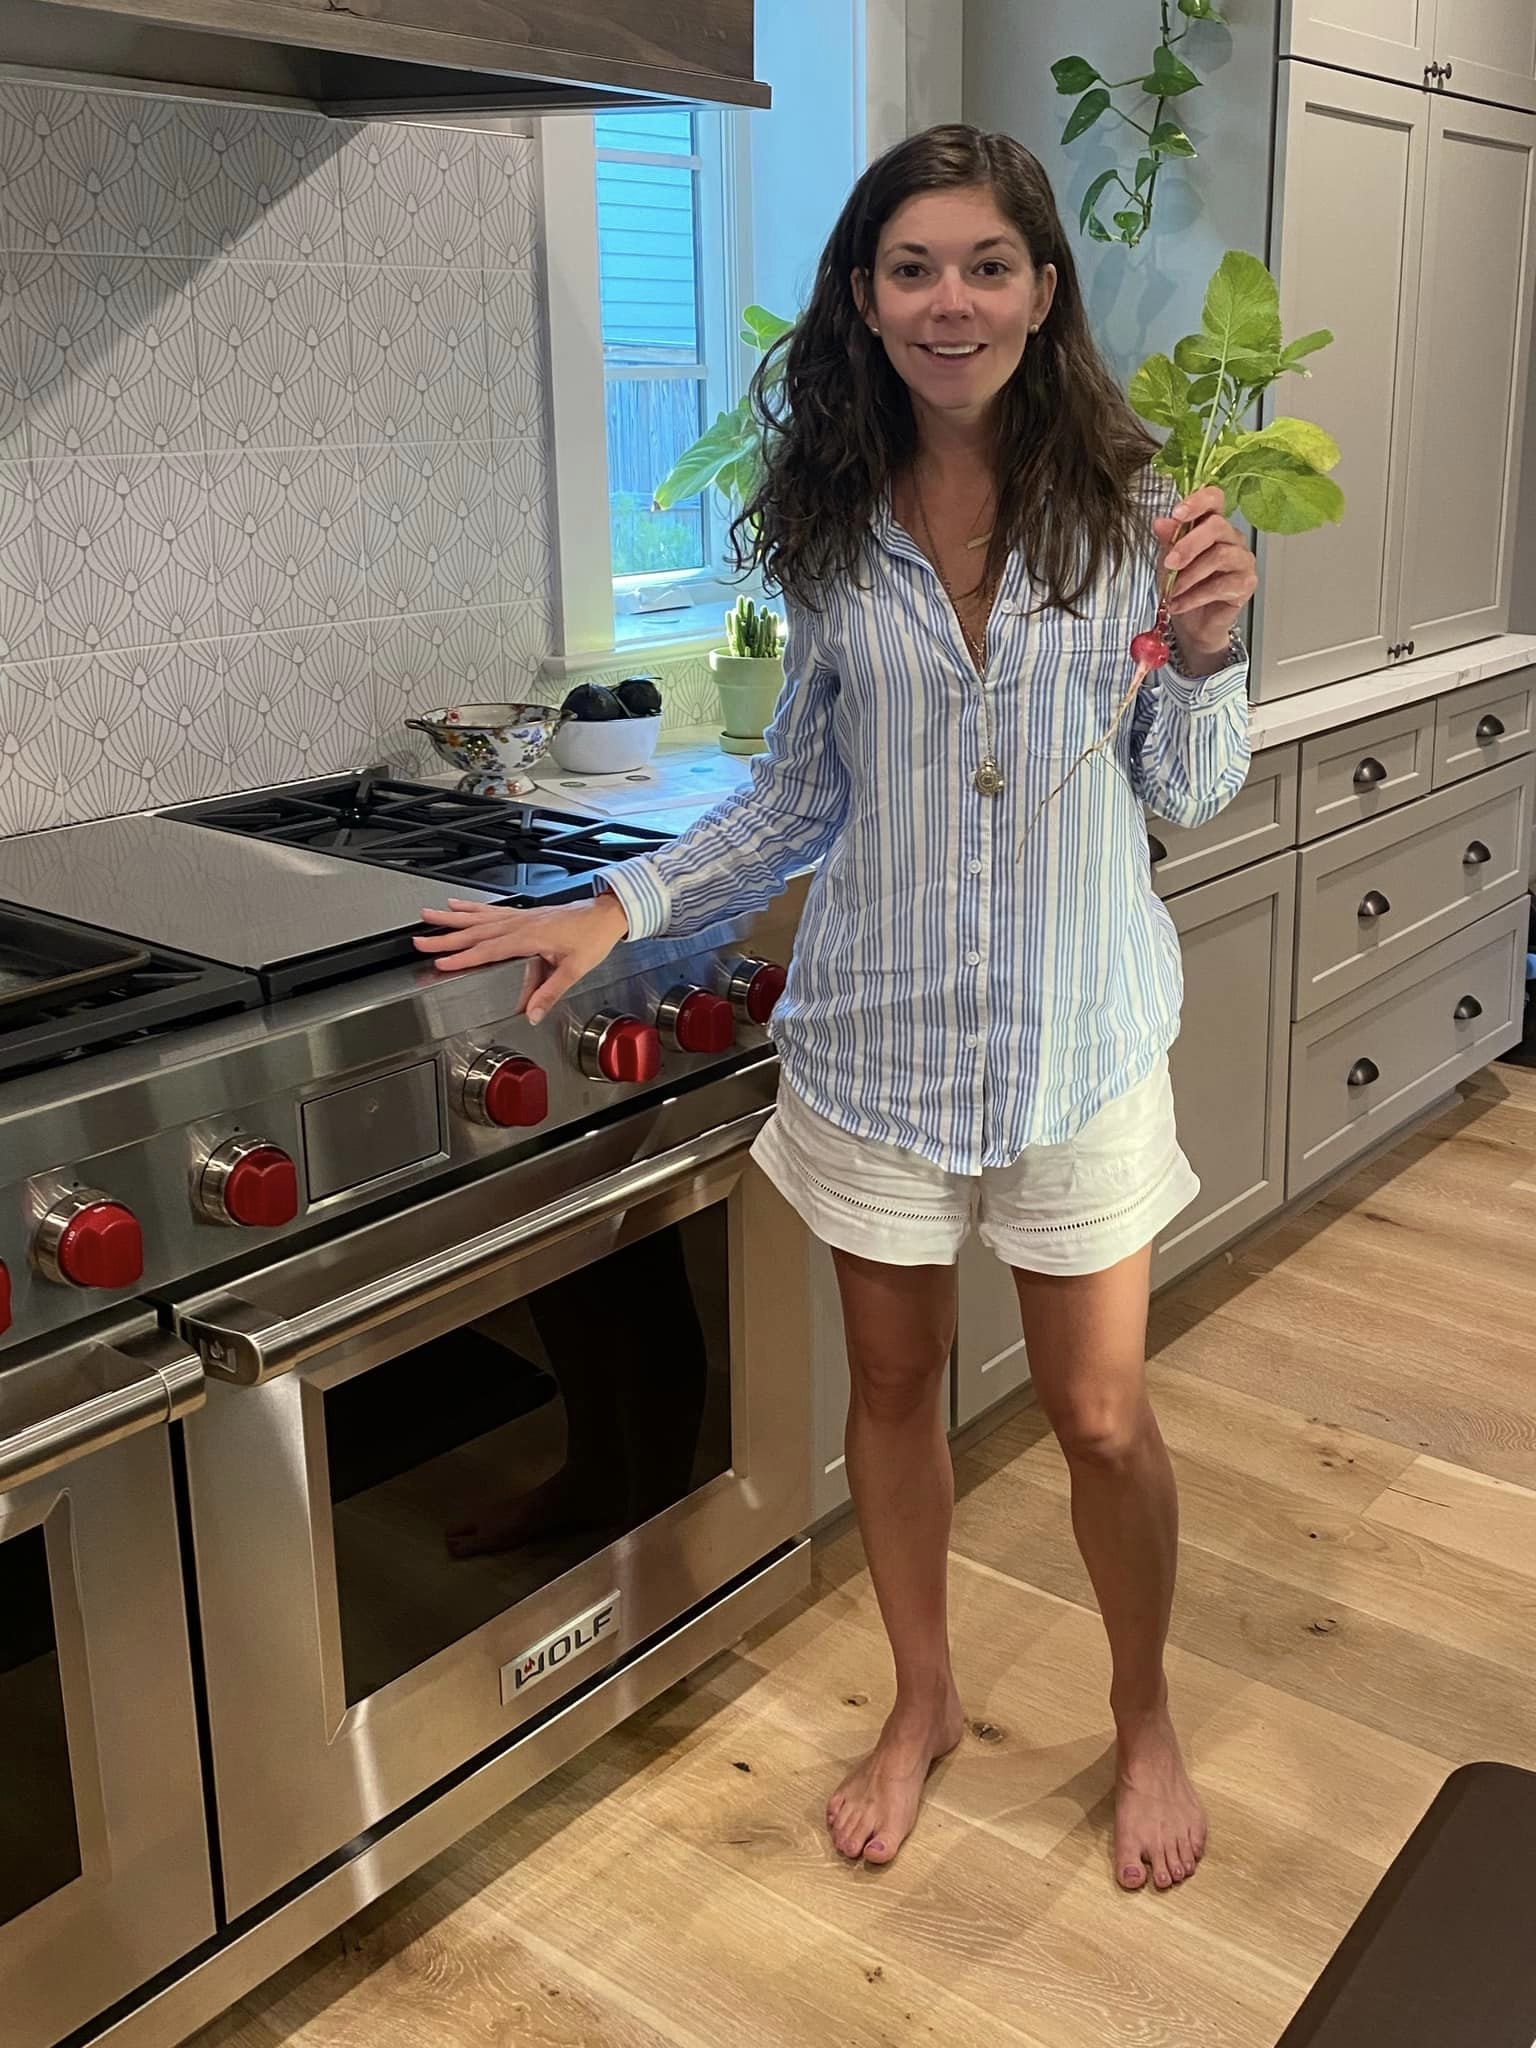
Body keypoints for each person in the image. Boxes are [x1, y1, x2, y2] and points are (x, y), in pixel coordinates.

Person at [416, 124, 1256, 1895]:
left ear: (1043, 289)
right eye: (913, 269)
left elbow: (1186, 788)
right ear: (864, 301)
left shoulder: (1141, 515)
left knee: (1103, 1417)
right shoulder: (831, 526)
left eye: (987, 266)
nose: (952, 302)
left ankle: (1144, 1715)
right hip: (880, 1036)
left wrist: (1207, 656)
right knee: (891, 1381)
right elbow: (802, 794)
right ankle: (923, 1697)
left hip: (1080, 1038)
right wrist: (615, 904)